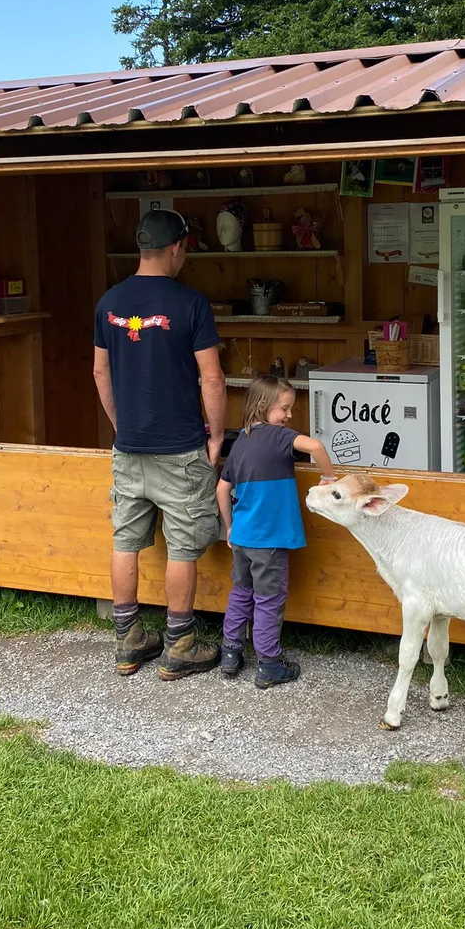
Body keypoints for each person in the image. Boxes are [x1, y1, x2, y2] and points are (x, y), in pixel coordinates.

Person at [93, 207, 227, 680]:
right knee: (183, 548)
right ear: (177, 248)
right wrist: (216, 436)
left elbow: (100, 372)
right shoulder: (191, 304)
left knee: (125, 540)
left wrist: (120, 424)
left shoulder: (109, 301)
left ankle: (128, 642)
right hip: (181, 448)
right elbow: (212, 378)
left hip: (128, 447)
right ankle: (181, 644)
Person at [216, 375, 337, 688]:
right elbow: (317, 446)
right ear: (263, 406)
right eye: (285, 409)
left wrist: (229, 527)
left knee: (241, 593)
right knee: (269, 599)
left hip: (242, 537)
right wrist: (328, 477)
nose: (289, 416)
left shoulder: (240, 441)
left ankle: (230, 652)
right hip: (268, 540)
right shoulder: (279, 437)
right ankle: (269, 663)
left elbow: (222, 489)